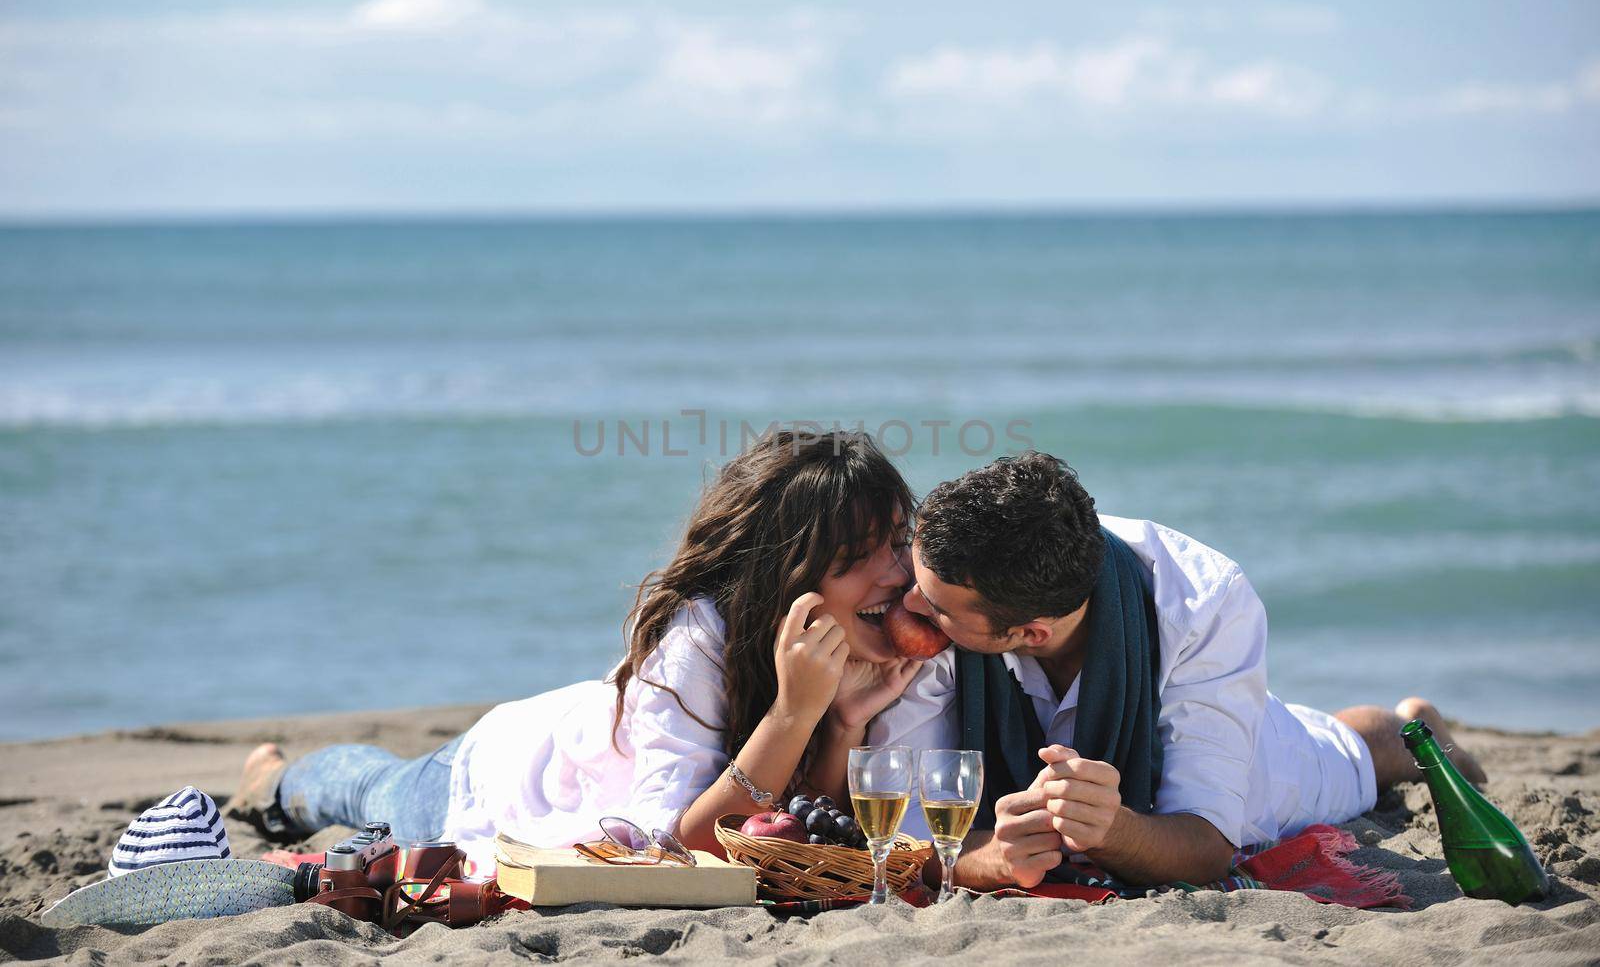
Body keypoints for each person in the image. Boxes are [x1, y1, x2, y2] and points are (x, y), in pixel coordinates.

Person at [229, 430, 924, 872]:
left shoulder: (852, 644)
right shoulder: (698, 639)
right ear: (789, 574)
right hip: (503, 772)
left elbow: (793, 819)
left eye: (897, 542)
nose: (896, 574)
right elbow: (677, 845)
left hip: (587, 733)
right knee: (372, 789)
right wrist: (793, 717)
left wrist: (841, 727)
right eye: (857, 557)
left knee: (376, 784)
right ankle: (277, 780)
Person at [875, 450, 1486, 889]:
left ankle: (1420, 728)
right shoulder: (940, 593)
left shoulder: (1204, 603)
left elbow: (1206, 850)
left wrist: (1111, 830)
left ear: (1030, 634)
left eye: (932, 605)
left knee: (1359, 750)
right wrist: (990, 858)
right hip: (1203, 714)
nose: (906, 603)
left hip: (1260, 764)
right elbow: (902, 835)